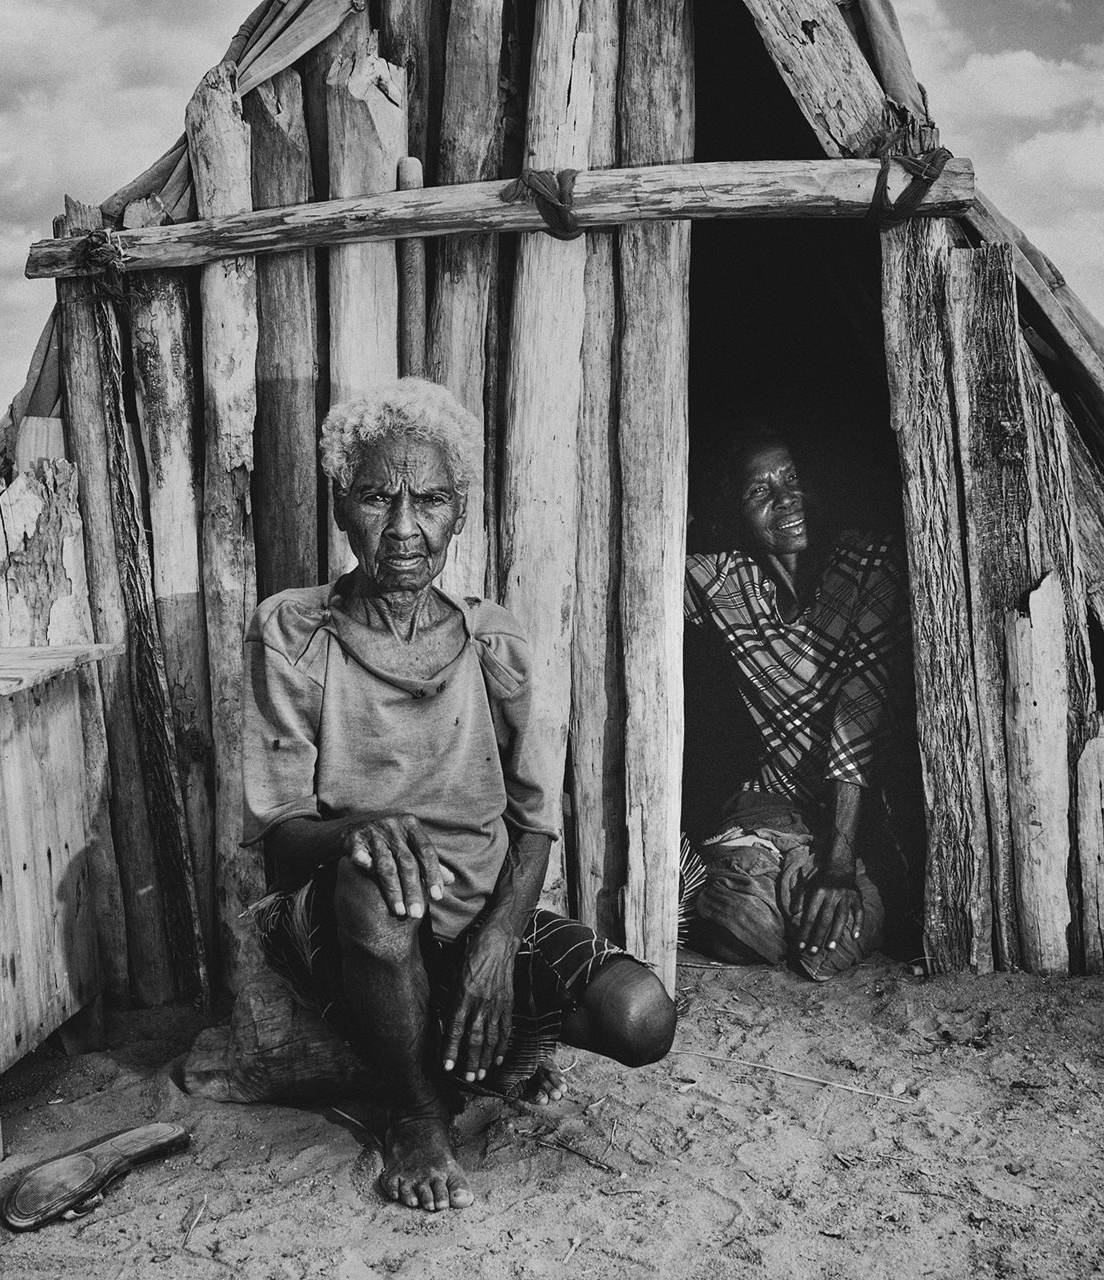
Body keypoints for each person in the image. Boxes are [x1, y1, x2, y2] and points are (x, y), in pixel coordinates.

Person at [243, 377, 677, 1213]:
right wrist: (359, 831)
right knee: (377, 872)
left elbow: (534, 824)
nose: (404, 527)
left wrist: (494, 947)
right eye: (376, 496)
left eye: (430, 499)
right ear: (341, 505)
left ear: (461, 510)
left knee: (643, 1017)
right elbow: (279, 837)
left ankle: (480, 1042)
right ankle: (416, 1112)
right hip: (349, 925)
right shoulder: (296, 634)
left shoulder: (492, 640)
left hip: (481, 914)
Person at [681, 424, 920, 980]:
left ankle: (803, 885)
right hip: (762, 806)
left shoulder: (869, 565)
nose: (784, 499)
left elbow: (855, 725)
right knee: (740, 932)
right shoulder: (720, 581)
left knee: (826, 951)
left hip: (849, 821)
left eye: (791, 479)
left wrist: (837, 867)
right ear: (736, 511)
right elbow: (638, 566)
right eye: (758, 490)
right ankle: (762, 880)